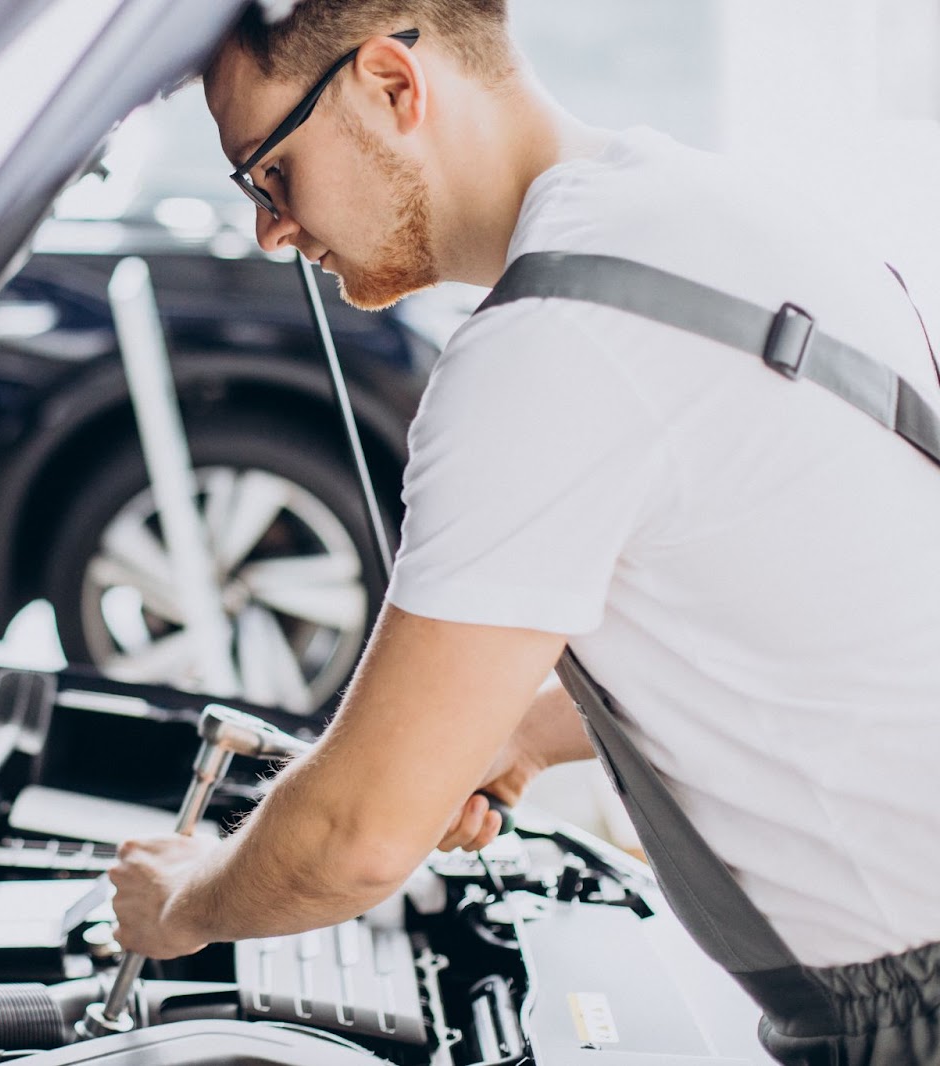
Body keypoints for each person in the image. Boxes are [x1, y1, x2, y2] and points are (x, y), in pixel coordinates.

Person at [107, 1, 940, 1059]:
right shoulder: (711, 206)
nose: (269, 230)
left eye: (270, 172)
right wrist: (518, 729)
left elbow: (356, 837)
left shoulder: (548, 344)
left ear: (391, 86)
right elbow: (795, 617)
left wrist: (181, 904)